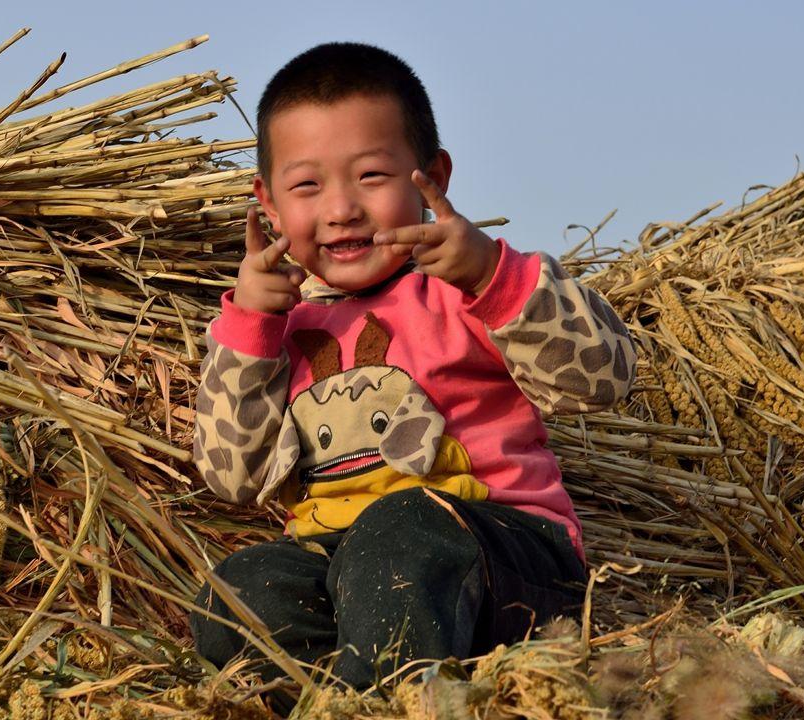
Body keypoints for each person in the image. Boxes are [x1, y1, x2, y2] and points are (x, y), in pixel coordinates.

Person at [189, 41, 637, 690]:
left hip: (502, 562)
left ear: (434, 176)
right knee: (241, 588)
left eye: (371, 176)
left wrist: (494, 275)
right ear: (268, 202)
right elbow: (232, 476)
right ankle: (344, 697)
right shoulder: (280, 332)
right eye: (307, 185)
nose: (341, 208)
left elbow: (605, 374)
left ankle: (386, 704)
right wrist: (252, 327)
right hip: (341, 568)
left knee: (400, 529)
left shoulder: (463, 289)